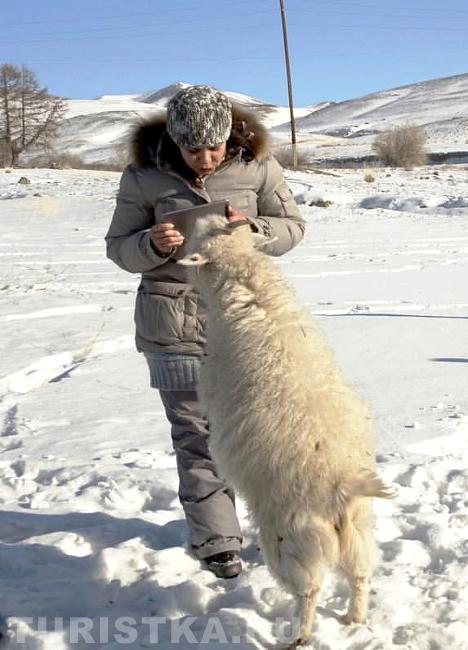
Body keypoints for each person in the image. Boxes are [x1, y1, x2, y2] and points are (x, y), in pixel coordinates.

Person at [105, 85, 305, 578]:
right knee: (195, 433)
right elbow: (118, 247)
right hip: (171, 320)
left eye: (214, 147)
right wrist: (150, 243)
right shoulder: (142, 176)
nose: (205, 157)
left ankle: (280, 527)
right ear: (174, 141)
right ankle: (217, 539)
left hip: (246, 321)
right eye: (193, 149)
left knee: (260, 430)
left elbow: (293, 227)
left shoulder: (257, 166)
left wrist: (254, 229)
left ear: (230, 135)